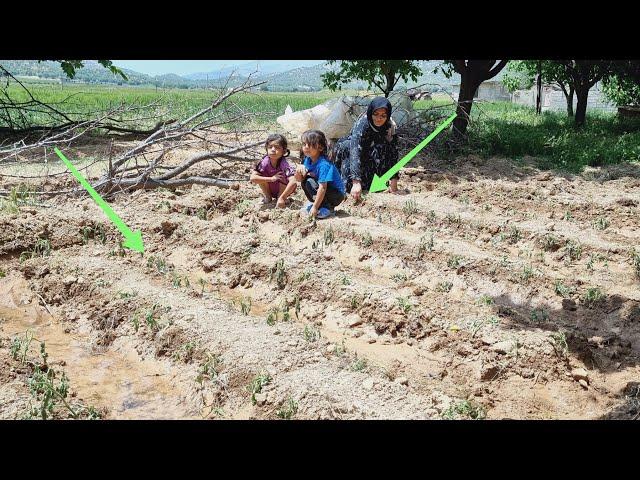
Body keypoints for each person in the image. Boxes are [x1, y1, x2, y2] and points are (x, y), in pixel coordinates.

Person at [331, 96, 401, 202]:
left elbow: (393, 153)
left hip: (370, 155)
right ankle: (344, 187)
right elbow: (355, 151)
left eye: (383, 116)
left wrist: (394, 181)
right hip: (352, 155)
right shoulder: (363, 124)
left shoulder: (390, 127)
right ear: (370, 113)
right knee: (347, 145)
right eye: (376, 114)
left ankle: (370, 183)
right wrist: (356, 182)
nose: (379, 119)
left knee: (383, 147)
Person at [295, 129, 346, 219]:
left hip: (336, 194)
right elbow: (299, 179)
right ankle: (319, 205)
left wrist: (314, 207)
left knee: (309, 181)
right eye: (304, 144)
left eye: (310, 144)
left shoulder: (324, 164)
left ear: (320, 148)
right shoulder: (308, 160)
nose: (306, 147)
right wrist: (298, 170)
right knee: (305, 180)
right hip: (327, 191)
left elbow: (323, 187)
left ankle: (328, 208)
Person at [249, 134, 297, 208]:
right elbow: (252, 178)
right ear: (266, 149)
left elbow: (293, 181)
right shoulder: (264, 162)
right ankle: (268, 197)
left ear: (284, 151)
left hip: (282, 190)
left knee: (283, 175)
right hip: (269, 189)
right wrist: (271, 179)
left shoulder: (284, 164)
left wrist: (283, 197)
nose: (273, 150)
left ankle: (279, 197)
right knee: (261, 174)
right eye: (270, 147)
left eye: (277, 147)